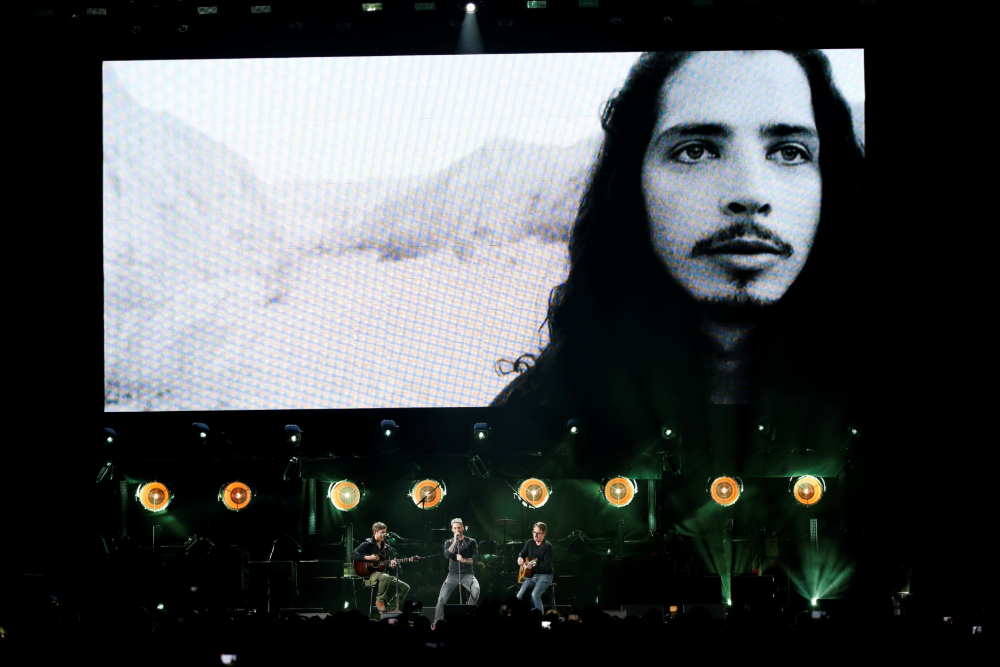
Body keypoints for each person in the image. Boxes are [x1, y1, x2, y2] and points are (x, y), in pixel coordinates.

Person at [493, 51, 865, 419]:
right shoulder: (531, 420)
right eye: (696, 151)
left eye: (789, 152)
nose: (750, 193)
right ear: (633, 182)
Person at [349, 522, 411, 613]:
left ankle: (391, 608)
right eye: (382, 532)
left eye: (385, 532)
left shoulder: (386, 547)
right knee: (385, 576)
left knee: (405, 587)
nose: (384, 535)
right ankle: (379, 602)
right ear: (375, 532)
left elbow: (384, 566)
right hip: (369, 577)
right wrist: (368, 558)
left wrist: (391, 565)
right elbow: (353, 555)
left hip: (382, 576)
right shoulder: (368, 543)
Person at [433, 518, 481, 627]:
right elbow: (447, 555)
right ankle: (436, 623)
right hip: (452, 576)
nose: (457, 530)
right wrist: (455, 541)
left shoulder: (471, 542)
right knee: (441, 598)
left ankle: (468, 614)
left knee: (476, 590)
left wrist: (464, 560)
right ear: (452, 530)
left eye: (459, 528)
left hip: (467, 574)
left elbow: (475, 559)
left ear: (463, 528)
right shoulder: (448, 542)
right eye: (455, 528)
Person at [517, 522, 554, 612]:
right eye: (534, 532)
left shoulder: (547, 546)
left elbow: (547, 565)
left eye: (538, 533)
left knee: (535, 595)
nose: (535, 535)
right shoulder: (530, 542)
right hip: (531, 575)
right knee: (519, 596)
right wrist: (520, 558)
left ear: (544, 534)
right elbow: (522, 553)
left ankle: (539, 617)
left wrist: (532, 568)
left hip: (545, 576)